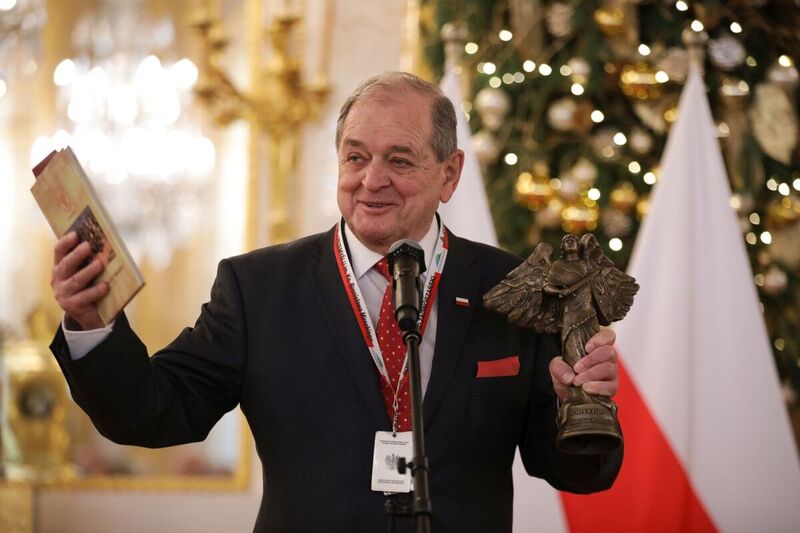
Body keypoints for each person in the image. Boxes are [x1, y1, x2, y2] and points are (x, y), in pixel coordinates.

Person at [49, 72, 622, 532]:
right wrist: (89, 320)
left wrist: (585, 406)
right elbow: (152, 411)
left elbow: (573, 472)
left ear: (449, 174)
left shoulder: (514, 288)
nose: (372, 180)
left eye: (399, 160)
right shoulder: (258, 289)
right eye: (355, 157)